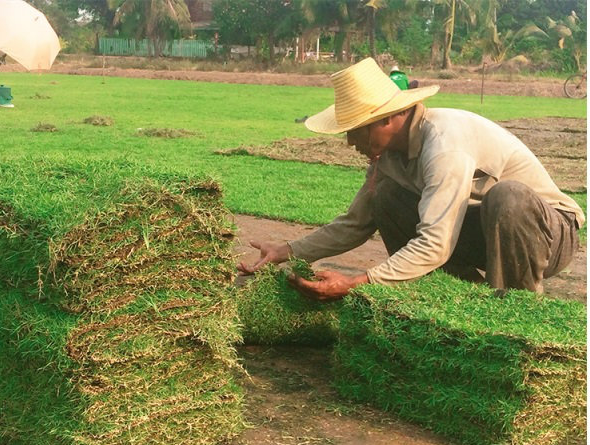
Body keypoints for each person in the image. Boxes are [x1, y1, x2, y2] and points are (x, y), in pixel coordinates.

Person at [237, 58, 584, 300]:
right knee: (385, 197)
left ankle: (516, 311)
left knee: (508, 198)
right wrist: (287, 251)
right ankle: (456, 299)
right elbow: (355, 224)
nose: (349, 142)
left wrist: (360, 282)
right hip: (482, 229)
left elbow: (437, 242)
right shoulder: (388, 157)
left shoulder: (445, 145)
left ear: (385, 121)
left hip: (547, 235)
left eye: (354, 131)